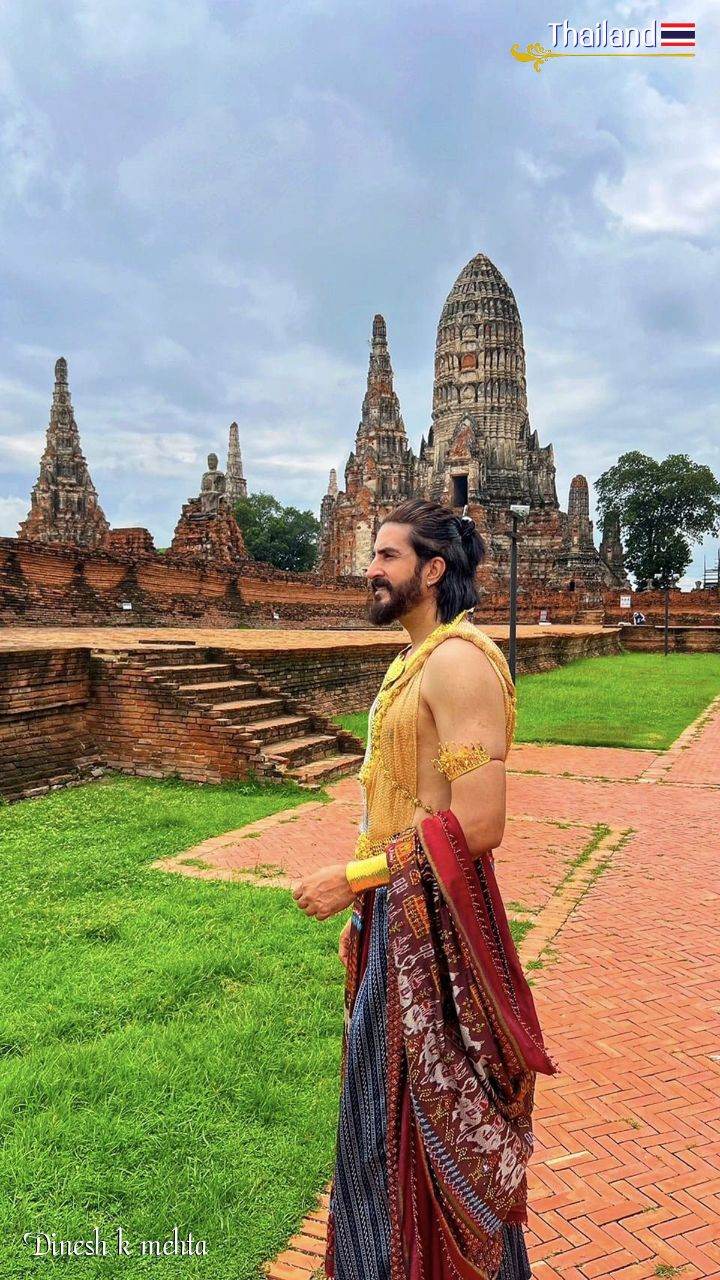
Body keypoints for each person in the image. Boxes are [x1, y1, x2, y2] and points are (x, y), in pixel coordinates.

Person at [291, 498, 557, 1280]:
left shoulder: (458, 660)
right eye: (372, 555)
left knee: (426, 1129)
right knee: (381, 1123)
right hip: (400, 914)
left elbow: (478, 824)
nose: (370, 570)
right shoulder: (415, 659)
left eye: (388, 557)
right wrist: (369, 897)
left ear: (433, 569)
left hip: (436, 930)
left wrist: (353, 878)